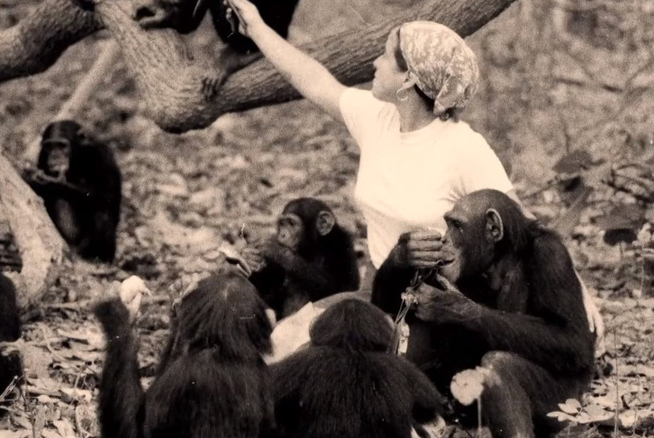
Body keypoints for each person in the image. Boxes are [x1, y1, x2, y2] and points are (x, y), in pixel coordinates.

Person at [225, 0, 604, 351]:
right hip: (373, 292)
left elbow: (527, 230)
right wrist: (255, 25)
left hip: (429, 309)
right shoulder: (377, 118)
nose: (374, 63)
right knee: (279, 345)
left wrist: (577, 292)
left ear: (408, 81)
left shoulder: (463, 148)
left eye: (386, 57)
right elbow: (311, 79)